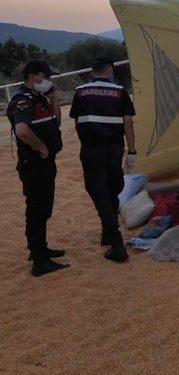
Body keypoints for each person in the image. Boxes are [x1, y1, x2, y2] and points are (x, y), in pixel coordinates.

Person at [70, 56, 136, 262]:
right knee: (113, 188)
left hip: (91, 150)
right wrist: (132, 151)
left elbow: (77, 121)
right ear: (110, 71)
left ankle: (113, 239)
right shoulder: (119, 92)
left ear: (92, 71)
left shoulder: (80, 92)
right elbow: (128, 124)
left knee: (99, 192)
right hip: (114, 150)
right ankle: (111, 237)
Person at [7, 60, 68, 277]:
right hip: (34, 164)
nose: (49, 81)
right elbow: (22, 130)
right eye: (46, 77)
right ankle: (39, 260)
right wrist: (41, 146)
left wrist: (53, 97)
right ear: (34, 77)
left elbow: (56, 123)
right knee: (37, 208)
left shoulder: (39, 98)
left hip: (44, 163)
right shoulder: (22, 100)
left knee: (43, 207)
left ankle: (40, 248)